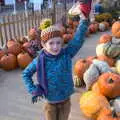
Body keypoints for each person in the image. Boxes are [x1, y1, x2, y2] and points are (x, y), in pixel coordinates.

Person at [22, 0, 92, 120]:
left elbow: (78, 39)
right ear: (44, 44)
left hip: (66, 100)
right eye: (51, 43)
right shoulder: (40, 60)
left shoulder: (66, 53)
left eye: (58, 42)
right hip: (50, 102)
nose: (55, 46)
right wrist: (33, 89)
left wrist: (84, 21)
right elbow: (26, 74)